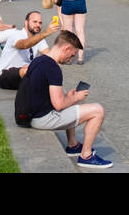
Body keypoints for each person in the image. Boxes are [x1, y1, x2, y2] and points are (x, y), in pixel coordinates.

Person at [14, 30, 111, 168]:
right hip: (41, 119)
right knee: (98, 111)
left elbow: (48, 96)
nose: (70, 59)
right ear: (66, 48)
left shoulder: (39, 60)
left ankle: (73, 145)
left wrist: (70, 98)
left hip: (31, 114)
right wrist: (76, 97)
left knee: (67, 97)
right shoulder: (53, 68)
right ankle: (86, 156)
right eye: (72, 55)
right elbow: (59, 105)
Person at [0, 10, 55, 89]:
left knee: (47, 67)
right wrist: (46, 33)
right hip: (4, 76)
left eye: (40, 23)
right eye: (35, 22)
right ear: (26, 22)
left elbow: (49, 56)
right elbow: (23, 45)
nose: (38, 25)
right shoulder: (16, 34)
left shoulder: (39, 39)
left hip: (24, 75)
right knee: (29, 70)